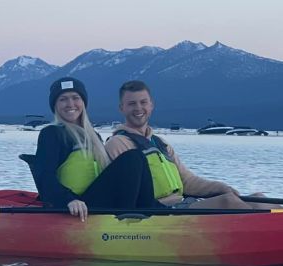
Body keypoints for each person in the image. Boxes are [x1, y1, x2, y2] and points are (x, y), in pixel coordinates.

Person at [106, 80, 272, 210]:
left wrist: (222, 187)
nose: (139, 108)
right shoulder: (117, 144)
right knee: (227, 202)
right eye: (132, 104)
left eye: (143, 102)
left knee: (259, 199)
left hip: (183, 203)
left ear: (151, 105)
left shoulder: (160, 143)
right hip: (159, 212)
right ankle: (272, 234)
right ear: (121, 108)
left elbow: (187, 181)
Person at [32, 76, 157, 221]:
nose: (70, 104)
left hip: (97, 202)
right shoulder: (52, 134)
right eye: (63, 99)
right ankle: (127, 221)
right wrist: (68, 200)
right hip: (78, 206)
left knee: (137, 157)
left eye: (75, 97)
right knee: (133, 158)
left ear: (83, 102)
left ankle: (153, 213)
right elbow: (45, 177)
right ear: (55, 105)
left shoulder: (94, 137)